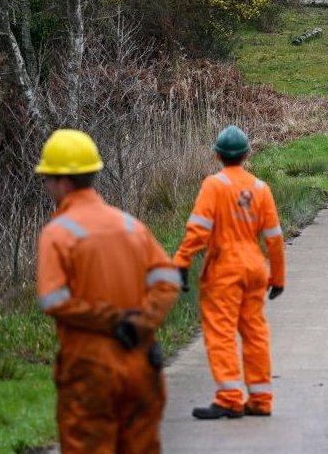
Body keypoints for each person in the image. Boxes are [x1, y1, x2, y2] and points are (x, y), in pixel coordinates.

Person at [35, 129, 181, 453]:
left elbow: (53, 300)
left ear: (63, 181)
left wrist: (113, 320)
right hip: (141, 362)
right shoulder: (130, 226)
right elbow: (168, 281)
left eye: (46, 178)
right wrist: (140, 323)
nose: (45, 185)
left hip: (91, 369)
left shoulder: (57, 234)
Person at [173, 125, 286, 419]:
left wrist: (181, 262)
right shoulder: (261, 189)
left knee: (221, 333)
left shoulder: (214, 185)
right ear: (247, 154)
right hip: (254, 268)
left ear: (217, 155)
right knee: (255, 333)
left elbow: (199, 230)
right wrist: (278, 276)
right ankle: (261, 399)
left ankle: (229, 398)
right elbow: (274, 237)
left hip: (225, 269)